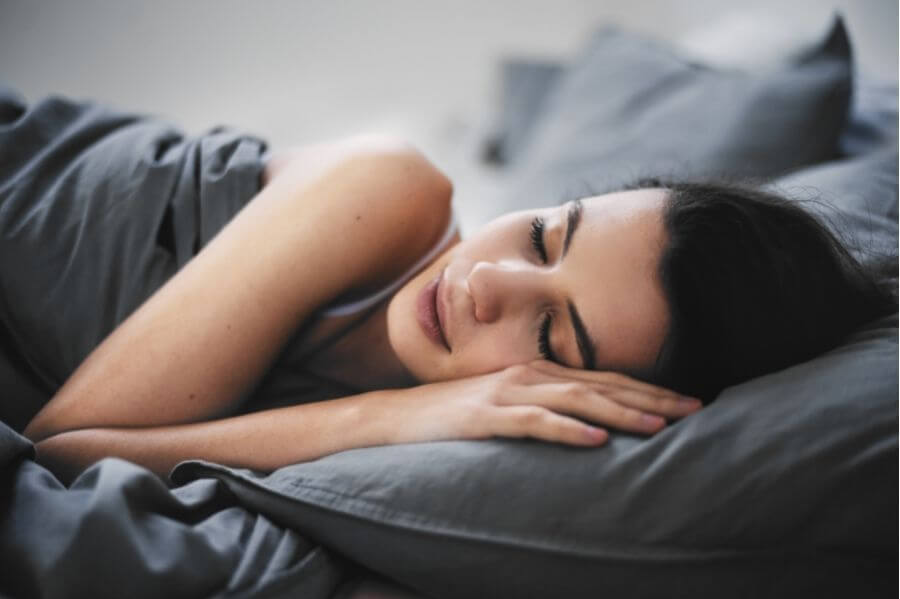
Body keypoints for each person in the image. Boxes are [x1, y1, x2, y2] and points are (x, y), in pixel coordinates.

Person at [22, 135, 896, 483]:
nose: (487, 285)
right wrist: (393, 413)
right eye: (548, 236)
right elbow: (57, 451)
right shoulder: (390, 188)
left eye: (550, 332)